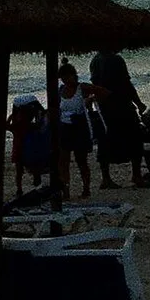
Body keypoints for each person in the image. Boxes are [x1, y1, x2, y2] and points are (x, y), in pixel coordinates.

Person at [90, 49, 146, 189]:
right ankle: (136, 175)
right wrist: (138, 103)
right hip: (121, 104)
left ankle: (106, 178)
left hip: (104, 106)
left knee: (105, 140)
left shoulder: (95, 61)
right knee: (135, 138)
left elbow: (95, 85)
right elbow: (126, 83)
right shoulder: (116, 60)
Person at [56, 63, 95, 199]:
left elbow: (103, 92)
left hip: (79, 127)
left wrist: (90, 101)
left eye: (68, 77)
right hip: (65, 127)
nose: (66, 80)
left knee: (81, 160)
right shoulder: (60, 90)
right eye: (63, 77)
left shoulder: (82, 87)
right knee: (63, 161)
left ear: (73, 75)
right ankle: (66, 191)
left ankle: (86, 188)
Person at [8, 95, 46, 195]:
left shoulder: (16, 125)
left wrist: (10, 117)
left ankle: (19, 189)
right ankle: (35, 182)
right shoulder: (30, 125)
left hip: (19, 147)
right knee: (33, 167)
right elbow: (40, 123)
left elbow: (7, 126)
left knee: (19, 170)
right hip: (29, 147)